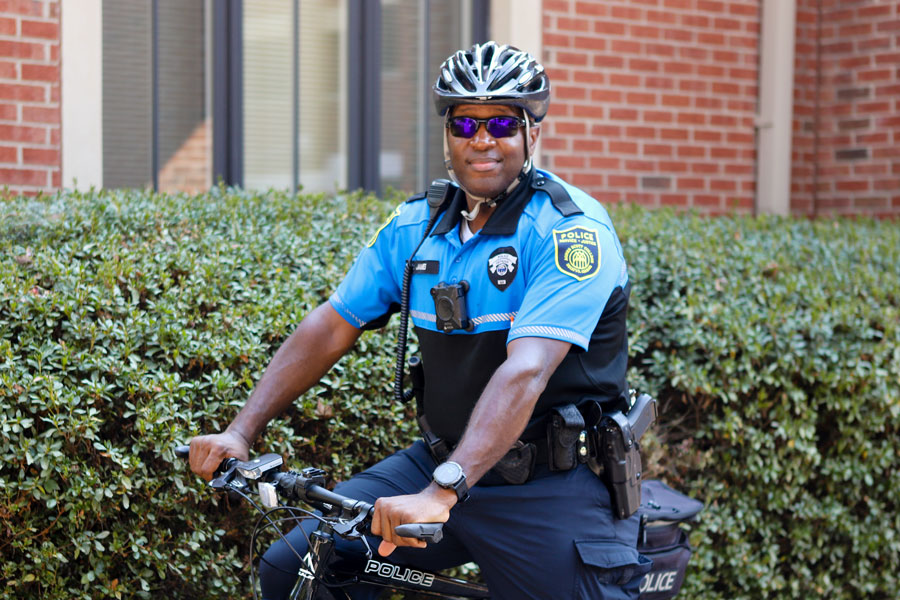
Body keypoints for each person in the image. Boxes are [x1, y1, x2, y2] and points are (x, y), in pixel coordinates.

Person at [188, 41, 650, 599]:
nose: (482, 140)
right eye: (464, 124)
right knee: (298, 570)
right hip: (441, 463)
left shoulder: (568, 232)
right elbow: (333, 323)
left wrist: (444, 491)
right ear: (447, 134)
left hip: (549, 486)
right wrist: (241, 430)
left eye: (502, 121)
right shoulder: (418, 226)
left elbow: (526, 370)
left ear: (533, 133)